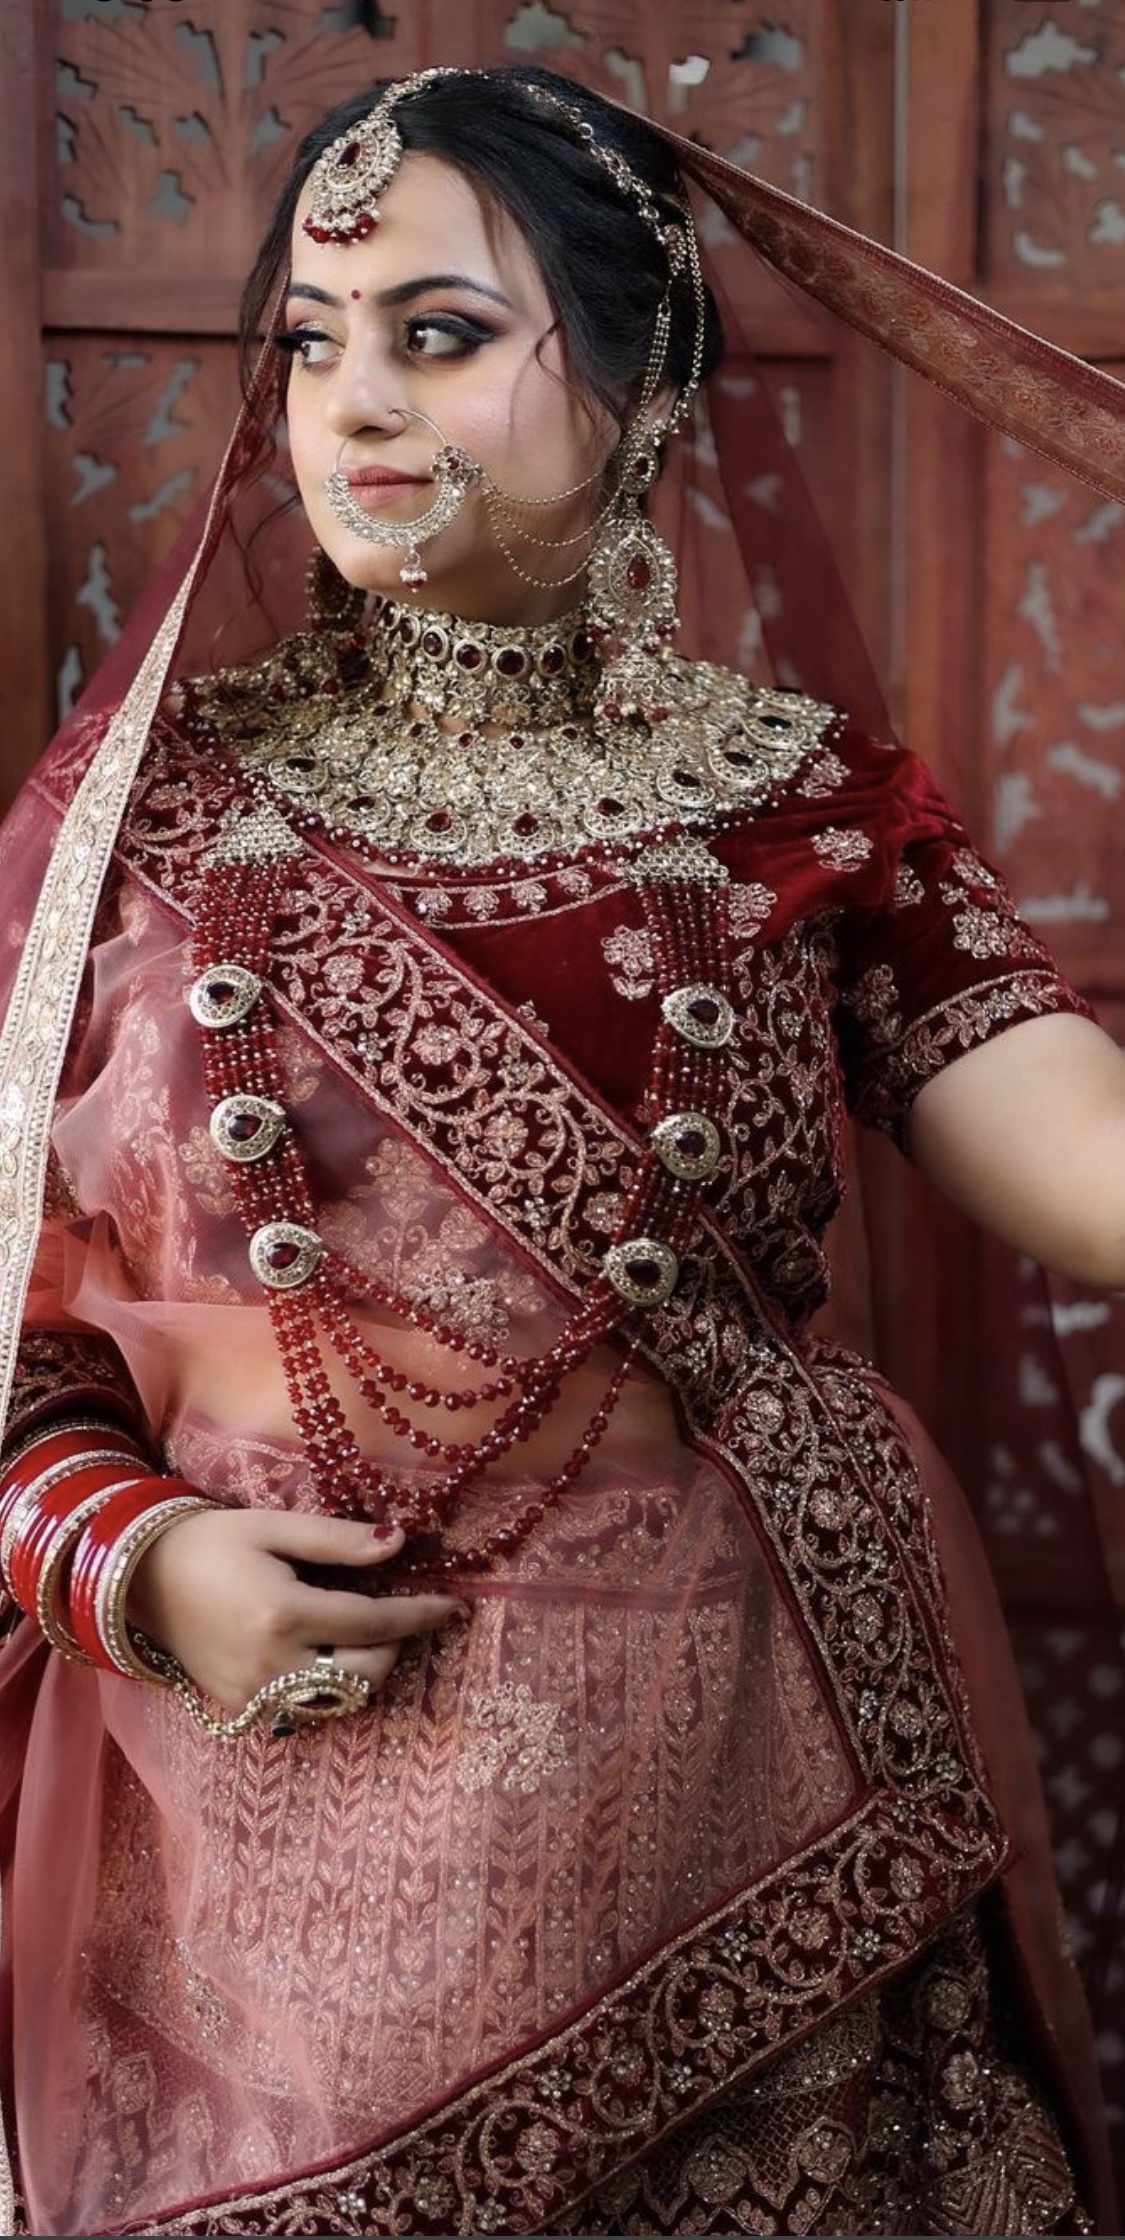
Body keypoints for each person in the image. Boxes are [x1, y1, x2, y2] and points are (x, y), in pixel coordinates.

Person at [0, 61, 1122, 2239]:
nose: (350, 402)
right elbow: (9, 1299)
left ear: (641, 378)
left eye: (437, 335)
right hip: (262, 1849)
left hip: (752, 1802)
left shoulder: (798, 808)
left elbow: (1081, 1158)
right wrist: (133, 1564)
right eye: (309, 341)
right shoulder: (133, 820)